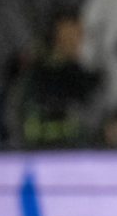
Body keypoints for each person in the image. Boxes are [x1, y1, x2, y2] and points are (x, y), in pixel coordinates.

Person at [8, 10, 102, 148]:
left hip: (77, 156)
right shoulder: (33, 74)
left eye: (78, 35)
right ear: (57, 36)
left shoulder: (85, 78)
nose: (76, 41)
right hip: (37, 154)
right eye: (69, 35)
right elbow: (15, 116)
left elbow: (93, 121)